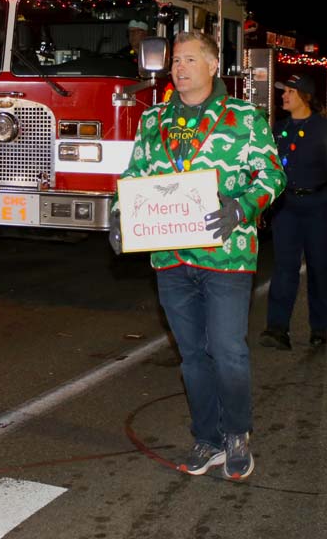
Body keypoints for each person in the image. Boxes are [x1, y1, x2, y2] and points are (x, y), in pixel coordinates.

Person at [109, 31, 285, 481]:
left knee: (228, 351)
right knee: (192, 356)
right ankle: (207, 437)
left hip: (226, 255)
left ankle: (237, 435)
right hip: (170, 257)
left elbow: (271, 175)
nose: (179, 68)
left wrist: (242, 208)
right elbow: (135, 175)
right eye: (174, 62)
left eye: (189, 60)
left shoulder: (243, 117)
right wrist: (117, 215)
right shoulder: (154, 120)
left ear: (211, 65)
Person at [261, 72, 327, 351]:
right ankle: (277, 328)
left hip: (318, 208)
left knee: (319, 267)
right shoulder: (278, 128)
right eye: (283, 91)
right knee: (284, 267)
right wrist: (265, 204)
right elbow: (270, 168)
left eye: (289, 91)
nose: (283, 96)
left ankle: (319, 328)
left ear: (304, 95)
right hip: (286, 207)